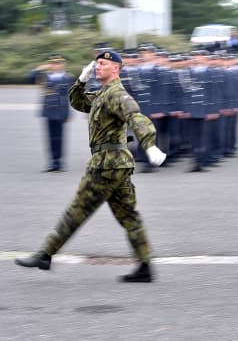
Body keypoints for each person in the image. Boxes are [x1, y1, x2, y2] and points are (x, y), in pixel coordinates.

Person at [15, 50, 167, 282]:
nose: (98, 67)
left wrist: (149, 144)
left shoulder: (117, 94)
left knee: (77, 210)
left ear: (116, 68)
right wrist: (82, 80)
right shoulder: (103, 94)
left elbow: (135, 116)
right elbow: (77, 102)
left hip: (106, 165)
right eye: (96, 64)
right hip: (116, 165)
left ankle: (45, 254)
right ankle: (145, 266)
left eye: (103, 64)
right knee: (128, 215)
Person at [27, 54, 75, 172]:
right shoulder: (43, 76)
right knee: (50, 138)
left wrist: (69, 113)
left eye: (58, 63)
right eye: (52, 63)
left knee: (59, 138)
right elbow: (28, 78)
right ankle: (52, 163)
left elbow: (71, 97)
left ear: (63, 64)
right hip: (48, 111)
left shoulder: (68, 78)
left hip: (61, 111)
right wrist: (39, 68)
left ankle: (59, 163)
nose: (55, 65)